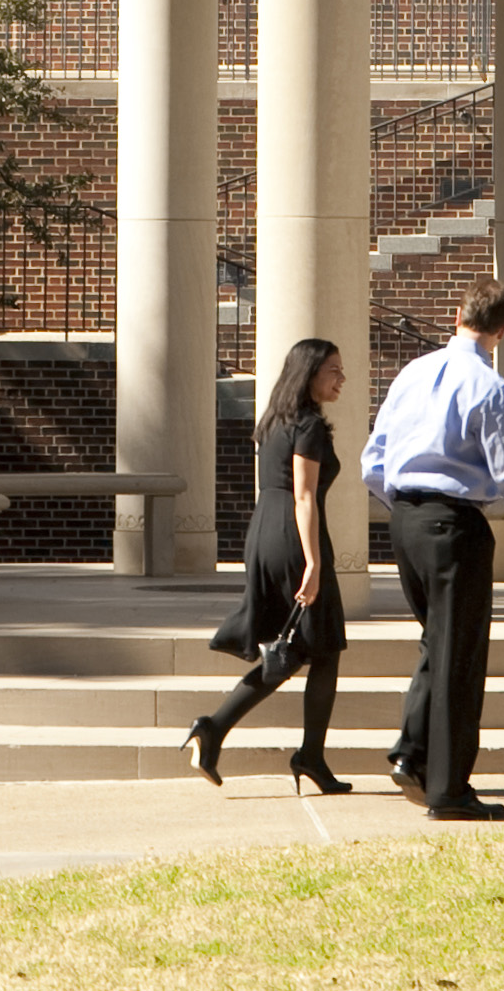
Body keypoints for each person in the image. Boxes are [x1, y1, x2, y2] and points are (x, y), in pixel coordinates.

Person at [361, 276, 504, 821]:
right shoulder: (490, 389)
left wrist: (406, 506)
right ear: (502, 330)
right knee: (461, 656)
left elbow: (372, 461)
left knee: (437, 642)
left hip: (404, 520)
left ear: (458, 312)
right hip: (454, 527)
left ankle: (414, 753)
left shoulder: (412, 373)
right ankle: (448, 789)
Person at [184, 338, 352, 795]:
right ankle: (304, 754)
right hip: (294, 538)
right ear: (311, 373)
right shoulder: (310, 425)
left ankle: (218, 730)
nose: (342, 378)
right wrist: (314, 562)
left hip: (265, 531)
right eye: (334, 370)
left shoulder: (275, 420)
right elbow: (304, 495)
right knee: (323, 645)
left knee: (297, 648)